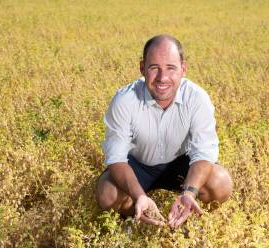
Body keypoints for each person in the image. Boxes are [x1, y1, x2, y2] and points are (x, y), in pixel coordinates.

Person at [96, 34, 233, 228]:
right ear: (142, 68)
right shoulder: (124, 100)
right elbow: (116, 158)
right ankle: (130, 220)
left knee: (220, 183)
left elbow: (204, 151)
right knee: (107, 193)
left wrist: (189, 193)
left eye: (171, 68)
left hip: (180, 163)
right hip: (137, 166)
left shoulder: (197, 98)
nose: (162, 78)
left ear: (183, 70)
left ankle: (190, 220)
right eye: (154, 68)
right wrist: (139, 196)